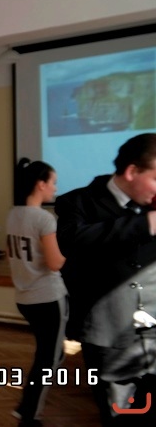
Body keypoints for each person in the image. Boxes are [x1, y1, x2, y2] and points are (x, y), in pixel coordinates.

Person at [56, 133, 156, 427]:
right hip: (108, 333)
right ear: (132, 171)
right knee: (118, 414)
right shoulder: (77, 202)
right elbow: (72, 242)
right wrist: (145, 224)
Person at [6, 158, 67, 427]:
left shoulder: (13, 214)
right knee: (49, 357)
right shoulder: (44, 218)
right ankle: (29, 414)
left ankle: (28, 406)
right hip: (48, 297)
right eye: (53, 182)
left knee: (51, 353)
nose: (55, 188)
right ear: (41, 184)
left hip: (25, 299)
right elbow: (55, 263)